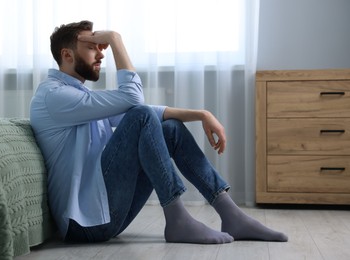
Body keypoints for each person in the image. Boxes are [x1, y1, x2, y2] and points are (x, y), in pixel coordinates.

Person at [30, 20, 288, 244]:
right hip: (84, 224)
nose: (100, 54)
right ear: (67, 55)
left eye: (102, 46)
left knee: (170, 128)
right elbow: (135, 102)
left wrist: (201, 114)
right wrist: (116, 40)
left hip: (106, 213)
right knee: (140, 116)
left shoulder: (77, 95)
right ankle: (177, 219)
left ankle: (231, 214)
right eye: (92, 47)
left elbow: (144, 109)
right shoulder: (54, 96)